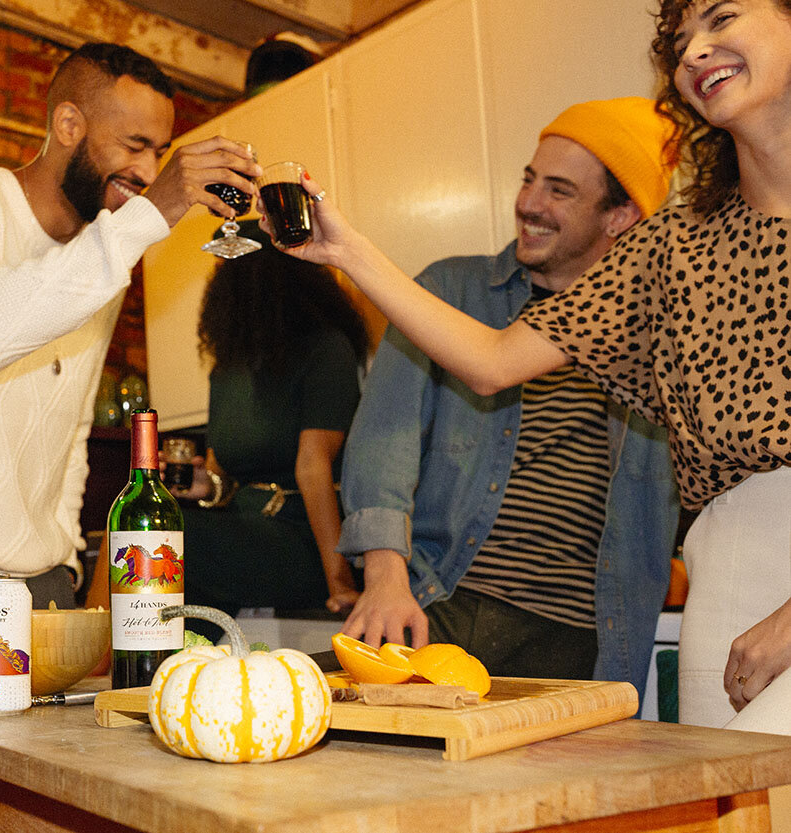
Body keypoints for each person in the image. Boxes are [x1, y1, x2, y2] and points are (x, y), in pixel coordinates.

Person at [273, 0, 791, 736]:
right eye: (681, 40)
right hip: (721, 578)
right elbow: (490, 362)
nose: (695, 51)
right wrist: (345, 249)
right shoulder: (678, 246)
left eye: (723, 16)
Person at [0, 42, 261, 686]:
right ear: (69, 124)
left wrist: (66, 559)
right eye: (135, 145)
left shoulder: (103, 256)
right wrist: (151, 216)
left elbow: (71, 431)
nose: (149, 170)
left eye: (159, 151)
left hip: (44, 582)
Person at [336, 98, 680, 701]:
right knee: (305, 705)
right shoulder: (450, 291)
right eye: (529, 179)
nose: (529, 203)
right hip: (446, 604)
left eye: (559, 190)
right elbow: (384, 439)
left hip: (583, 638)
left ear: (620, 216)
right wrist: (385, 577)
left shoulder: (656, 334)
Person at [167, 222, 367, 641]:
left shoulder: (326, 349)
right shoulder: (227, 369)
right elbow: (225, 477)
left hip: (304, 539)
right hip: (244, 532)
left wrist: (339, 581)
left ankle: (100, 665)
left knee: (152, 537)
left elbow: (313, 468)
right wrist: (207, 487)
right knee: (155, 547)